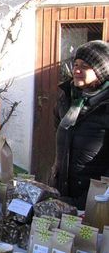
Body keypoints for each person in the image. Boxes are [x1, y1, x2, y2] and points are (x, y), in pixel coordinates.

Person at [51, 40, 109, 210]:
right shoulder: (68, 98)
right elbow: (60, 131)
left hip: (94, 200)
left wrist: (92, 200)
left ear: (101, 70)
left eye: (84, 66)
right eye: (75, 64)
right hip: (62, 191)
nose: (76, 70)